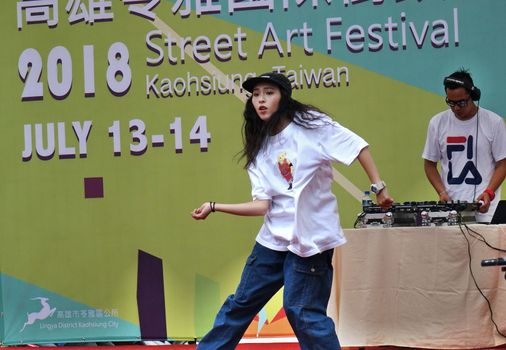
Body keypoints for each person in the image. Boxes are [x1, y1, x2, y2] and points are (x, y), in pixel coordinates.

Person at [191, 72, 393, 349]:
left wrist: (379, 187)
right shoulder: (259, 148)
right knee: (240, 304)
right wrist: (215, 207)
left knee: (302, 312)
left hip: (310, 240)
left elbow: (357, 147)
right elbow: (263, 205)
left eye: (269, 93)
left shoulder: (311, 127)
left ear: (283, 98)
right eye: (256, 94)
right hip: (273, 240)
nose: (260, 100)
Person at [422, 68, 506, 223]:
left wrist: (489, 193)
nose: (456, 108)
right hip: (451, 212)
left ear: (473, 96)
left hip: (487, 212)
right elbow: (429, 165)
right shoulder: (437, 123)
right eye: (451, 103)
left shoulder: (494, 122)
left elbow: (503, 164)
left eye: (461, 102)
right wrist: (441, 192)